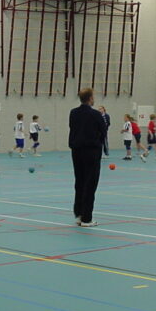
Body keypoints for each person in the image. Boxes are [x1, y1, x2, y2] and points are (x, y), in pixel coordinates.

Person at [69, 88, 105, 227]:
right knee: (90, 183)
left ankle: (79, 214)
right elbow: (103, 131)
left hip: (76, 151)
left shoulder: (73, 113)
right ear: (90, 98)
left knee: (80, 181)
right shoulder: (96, 114)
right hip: (91, 152)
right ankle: (87, 218)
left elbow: (72, 128)